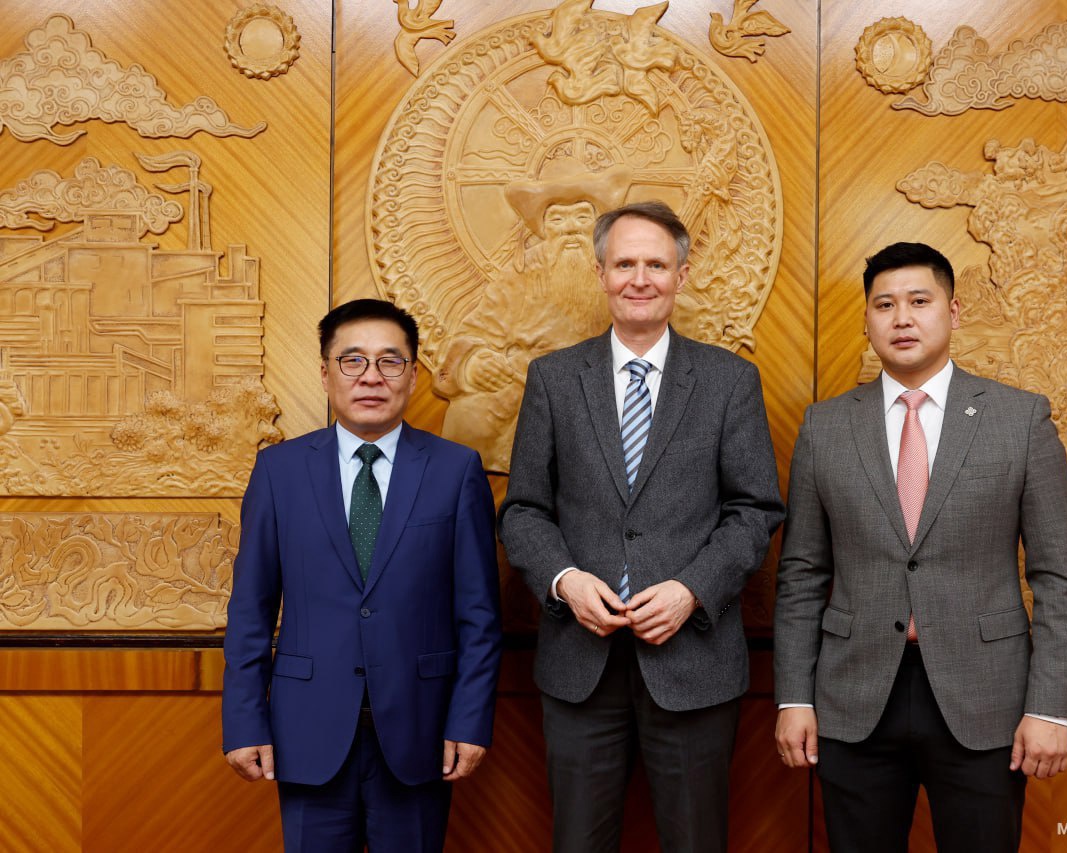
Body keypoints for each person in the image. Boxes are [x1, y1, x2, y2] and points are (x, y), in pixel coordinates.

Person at [773, 242, 1067, 852]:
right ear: (867, 321)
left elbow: (1058, 578)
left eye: (920, 301)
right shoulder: (825, 427)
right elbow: (801, 575)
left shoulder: (1020, 420)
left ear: (954, 311)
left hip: (985, 700)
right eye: (884, 305)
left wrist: (1049, 709)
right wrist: (793, 697)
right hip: (853, 699)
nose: (902, 318)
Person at [500, 200, 784, 853]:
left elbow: (754, 510)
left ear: (681, 275)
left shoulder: (729, 381)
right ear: (600, 273)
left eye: (655, 264)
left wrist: (691, 589)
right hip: (578, 663)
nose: (639, 278)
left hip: (694, 661)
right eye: (624, 263)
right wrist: (565, 580)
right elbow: (523, 510)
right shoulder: (553, 379)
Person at [222, 298, 502, 852]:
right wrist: (244, 722)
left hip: (421, 730)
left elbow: (479, 616)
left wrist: (469, 721)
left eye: (390, 361)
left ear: (413, 375)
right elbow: (251, 609)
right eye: (352, 360)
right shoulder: (279, 471)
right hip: (307, 729)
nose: (371, 377)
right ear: (325, 372)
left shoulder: (456, 470)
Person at [434, 160, 631, 471]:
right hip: (526, 384)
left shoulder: (626, 271)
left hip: (608, 385)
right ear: (542, 228)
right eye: (557, 219)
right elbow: (478, 330)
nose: (570, 228)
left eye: (582, 217)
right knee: (468, 417)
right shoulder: (522, 272)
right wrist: (473, 364)